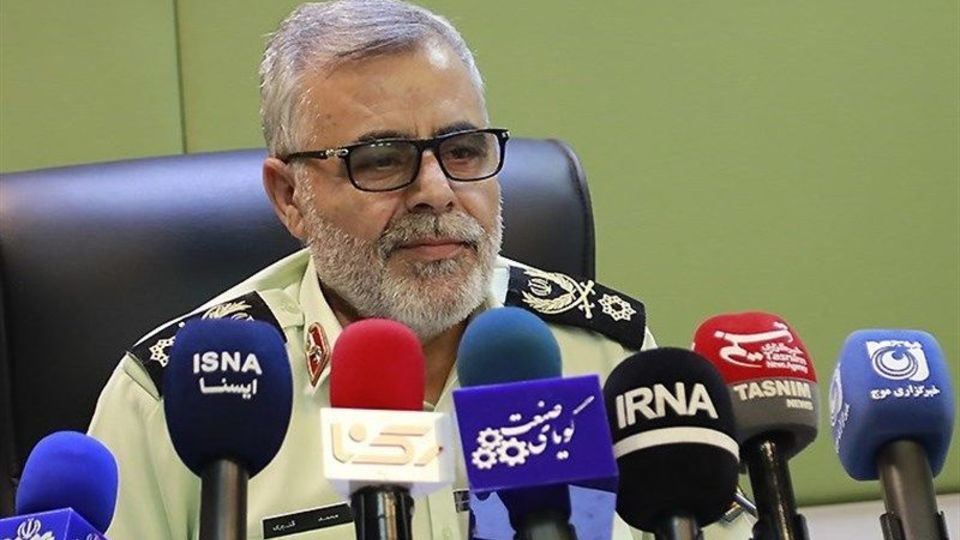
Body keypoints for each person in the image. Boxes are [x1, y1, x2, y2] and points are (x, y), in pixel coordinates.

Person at [88, 1, 752, 538]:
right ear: (291, 197)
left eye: (462, 151)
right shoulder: (176, 397)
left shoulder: (606, 357)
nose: (436, 191)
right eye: (381, 160)